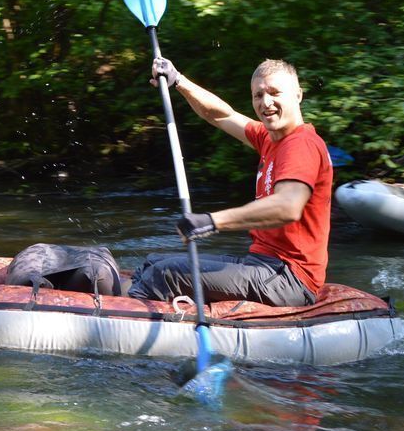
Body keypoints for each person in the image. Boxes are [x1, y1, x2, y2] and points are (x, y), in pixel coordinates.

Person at [128, 58, 332, 307]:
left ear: (297, 95)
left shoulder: (301, 144)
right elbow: (220, 116)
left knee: (165, 274)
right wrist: (178, 80)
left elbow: (287, 207)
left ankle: (121, 325)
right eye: (258, 95)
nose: (265, 103)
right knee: (154, 262)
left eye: (275, 93)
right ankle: (117, 301)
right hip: (262, 264)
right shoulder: (269, 139)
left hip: (289, 278)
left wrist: (212, 222)